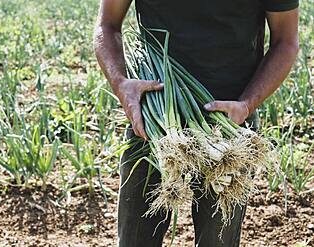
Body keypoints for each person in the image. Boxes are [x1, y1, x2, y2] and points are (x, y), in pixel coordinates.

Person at [93, 0, 299, 246]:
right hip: (154, 120)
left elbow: (285, 41)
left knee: (217, 241)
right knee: (136, 240)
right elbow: (107, 25)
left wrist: (246, 104)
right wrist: (121, 84)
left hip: (229, 129)